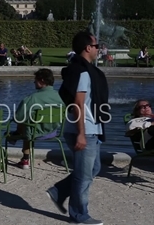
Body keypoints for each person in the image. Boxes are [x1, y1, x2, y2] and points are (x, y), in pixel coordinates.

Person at [47, 31, 110, 225]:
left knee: (94, 168)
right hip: (83, 129)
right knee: (84, 176)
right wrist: (82, 133)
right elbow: (78, 104)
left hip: (92, 128)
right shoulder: (82, 72)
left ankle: (58, 192)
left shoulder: (84, 70)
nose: (99, 49)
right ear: (88, 48)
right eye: (97, 46)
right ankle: (79, 215)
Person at [9, 69, 64, 169]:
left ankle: (25, 159)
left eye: (35, 80)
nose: (34, 82)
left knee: (26, 125)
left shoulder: (33, 98)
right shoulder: (60, 97)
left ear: (42, 81)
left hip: (34, 133)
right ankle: (18, 141)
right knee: (30, 124)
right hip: (53, 132)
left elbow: (18, 118)